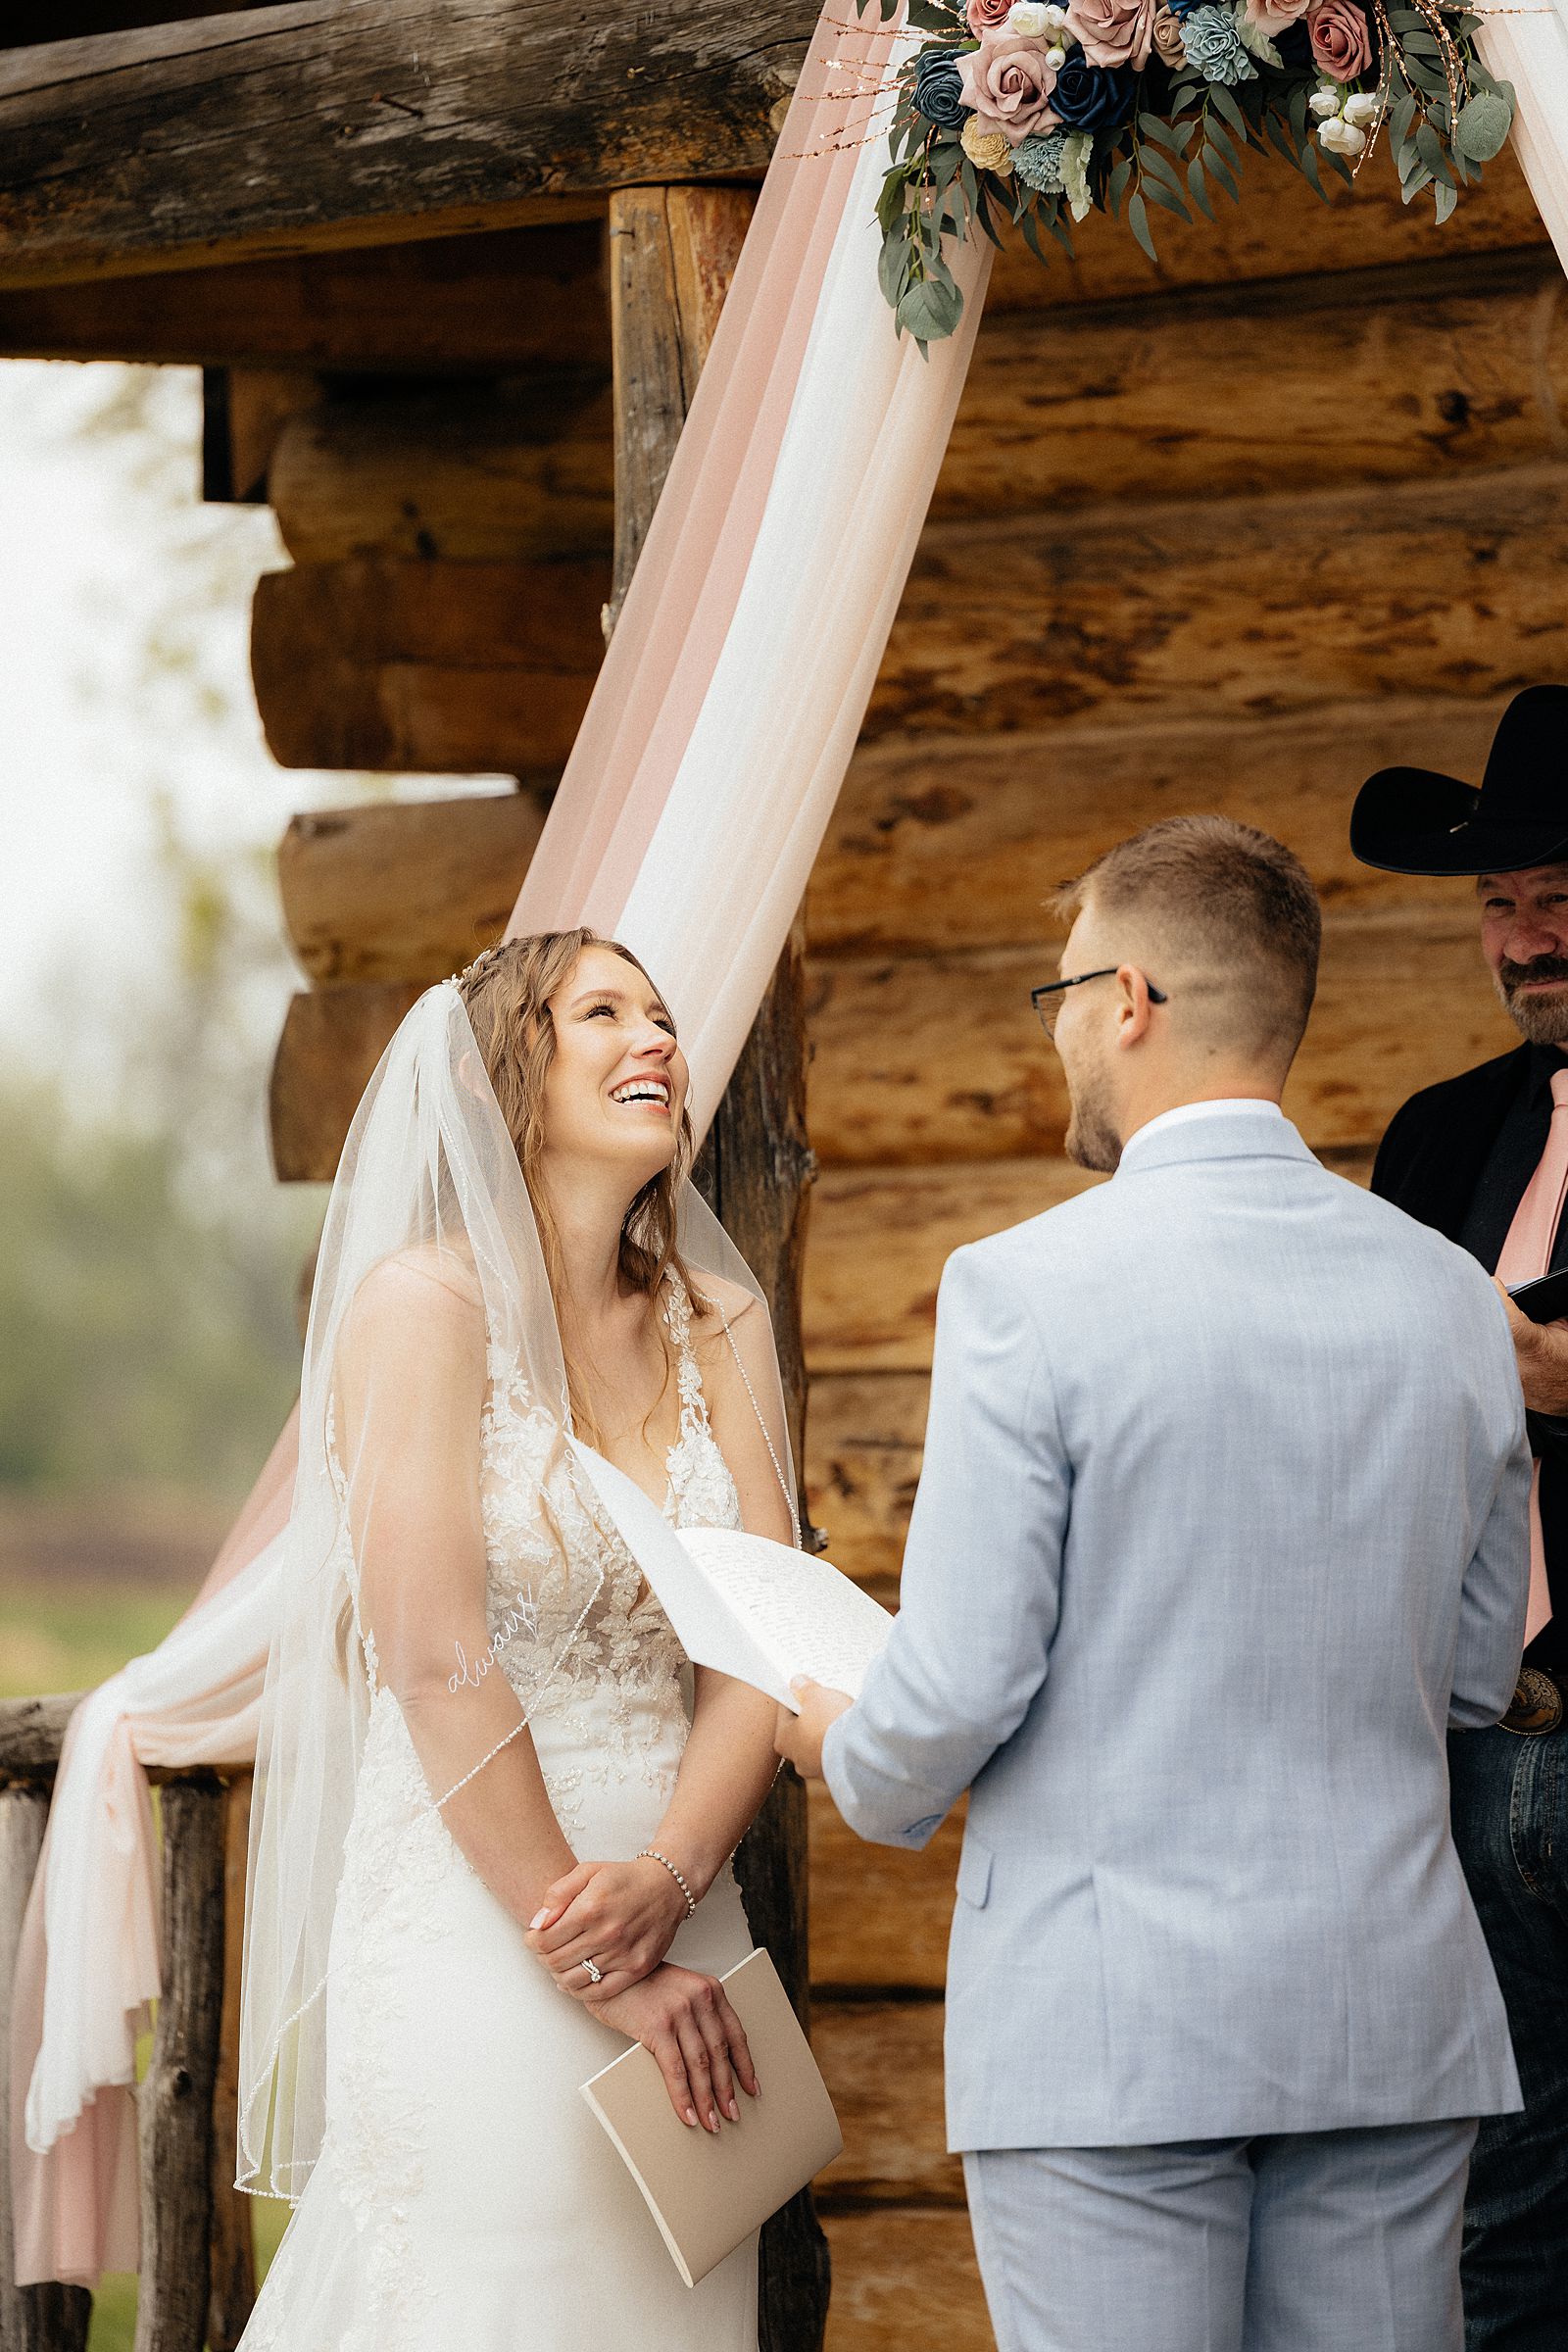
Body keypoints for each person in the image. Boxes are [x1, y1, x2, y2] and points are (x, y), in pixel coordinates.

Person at [778, 815, 1531, 2352]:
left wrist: (841, 1746)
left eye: (1059, 995)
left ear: (1130, 999)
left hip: (1110, 2027)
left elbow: (966, 1679)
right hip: (1388, 2015)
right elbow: (1467, 1677)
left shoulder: (1026, 1290)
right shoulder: (1452, 1296)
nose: (1059, 1033)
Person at [234, 928, 797, 2351]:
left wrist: (669, 1887)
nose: (656, 1039)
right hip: (490, 1919)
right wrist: (597, 1954)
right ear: (505, 1078)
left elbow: (760, 1638)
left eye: (664, 1016)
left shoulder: (721, 1319)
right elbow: (429, 1655)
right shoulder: (424, 1307)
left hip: (686, 1907)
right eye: (602, 1012)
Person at [1354, 683, 1568, 2352]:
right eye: (1501, 902)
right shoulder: (1439, 1137)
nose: (1527, 934)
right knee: (1500, 2215)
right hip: (1486, 1752)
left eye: (1564, 892)